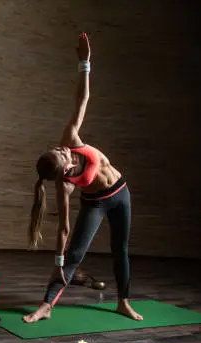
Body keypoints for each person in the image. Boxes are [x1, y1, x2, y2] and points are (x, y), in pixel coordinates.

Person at [23, 32, 143, 323]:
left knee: (121, 250)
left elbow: (82, 98)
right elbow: (63, 229)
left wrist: (85, 64)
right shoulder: (64, 185)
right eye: (60, 154)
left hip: (121, 193)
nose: (62, 148)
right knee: (74, 254)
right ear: (63, 170)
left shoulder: (71, 138)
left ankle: (123, 302)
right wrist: (59, 262)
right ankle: (46, 307)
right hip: (96, 203)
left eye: (57, 148)